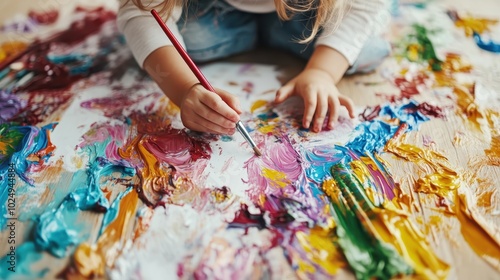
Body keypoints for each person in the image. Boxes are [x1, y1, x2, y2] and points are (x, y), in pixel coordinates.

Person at [117, 0, 390, 134]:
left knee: (366, 50)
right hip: (215, 8)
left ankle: (268, 31)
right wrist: (185, 89)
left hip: (311, 8)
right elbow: (142, 11)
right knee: (165, 48)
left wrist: (323, 71)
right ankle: (264, 31)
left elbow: (363, 6)